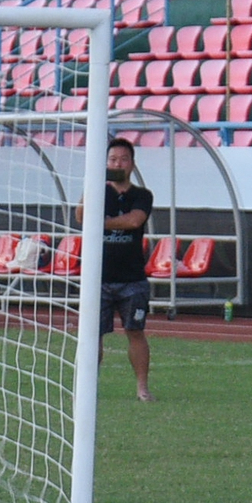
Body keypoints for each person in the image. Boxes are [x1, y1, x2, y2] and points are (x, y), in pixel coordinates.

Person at [77, 137, 155, 401]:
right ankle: (87, 390)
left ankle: (142, 388)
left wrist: (102, 223)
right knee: (93, 335)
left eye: (122, 159)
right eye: (112, 160)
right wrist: (93, 185)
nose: (117, 164)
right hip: (97, 278)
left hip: (132, 278)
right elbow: (81, 216)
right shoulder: (98, 190)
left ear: (132, 164)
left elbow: (135, 221)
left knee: (135, 332)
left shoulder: (142, 195)